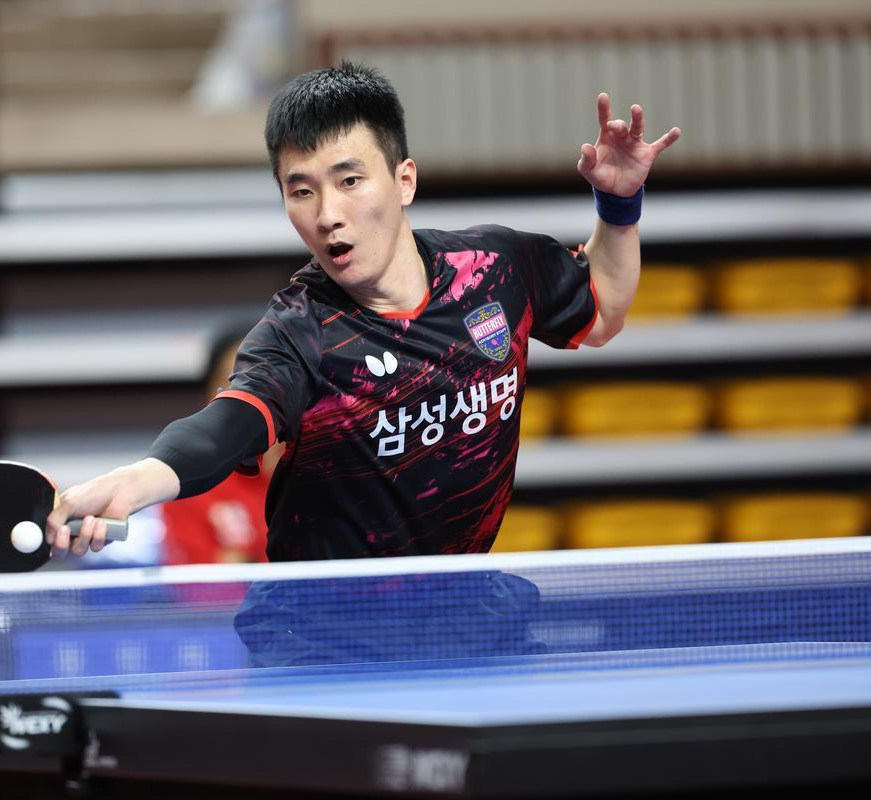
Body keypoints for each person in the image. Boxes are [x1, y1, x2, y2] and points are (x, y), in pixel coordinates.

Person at [47, 62, 680, 563]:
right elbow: (225, 427)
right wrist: (139, 478)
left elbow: (603, 311)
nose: (328, 214)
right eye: (301, 190)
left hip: (460, 607)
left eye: (349, 181)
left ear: (404, 180)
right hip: (322, 632)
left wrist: (618, 205)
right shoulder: (298, 334)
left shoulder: (494, 268)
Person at [160, 328, 281, 565]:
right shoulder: (188, 485)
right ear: (211, 395)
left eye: (262, 382)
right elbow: (200, 583)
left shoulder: (322, 470)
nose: (248, 397)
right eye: (234, 382)